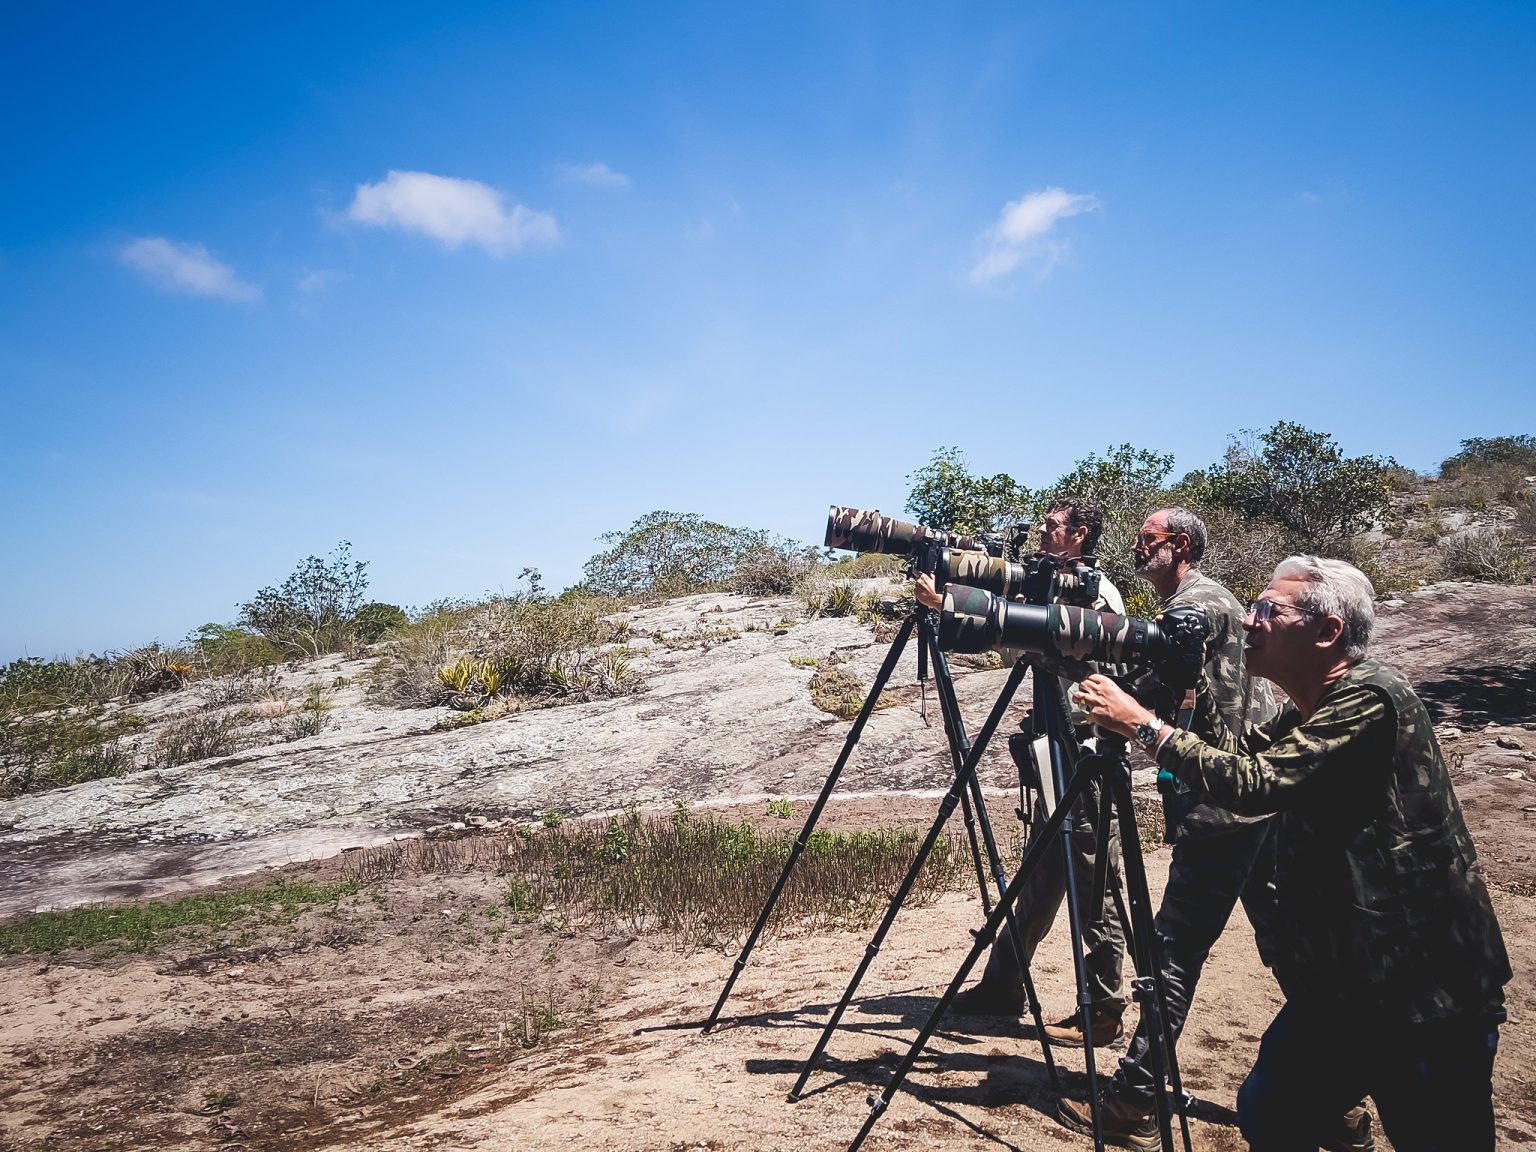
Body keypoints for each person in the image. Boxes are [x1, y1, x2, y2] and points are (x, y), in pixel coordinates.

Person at [1075, 555, 1510, 1152]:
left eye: (1267, 610)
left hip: (1422, 987)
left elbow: (1255, 784)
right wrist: (1189, 681)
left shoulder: (1372, 697)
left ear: (1328, 631)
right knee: (1272, 1111)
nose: (1248, 621)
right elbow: (1233, 754)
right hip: (1345, 984)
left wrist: (1143, 727)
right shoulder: (1303, 708)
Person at [917, 496, 1129, 1047]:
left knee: (1093, 878)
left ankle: (1104, 1008)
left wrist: (954, 606)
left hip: (1085, 750)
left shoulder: (1096, 594)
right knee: (1040, 871)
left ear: (1080, 534)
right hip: (1051, 745)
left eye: (1053, 526)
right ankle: (1003, 986)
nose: (1042, 532)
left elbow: (1094, 666)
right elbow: (1013, 644)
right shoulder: (1044, 585)